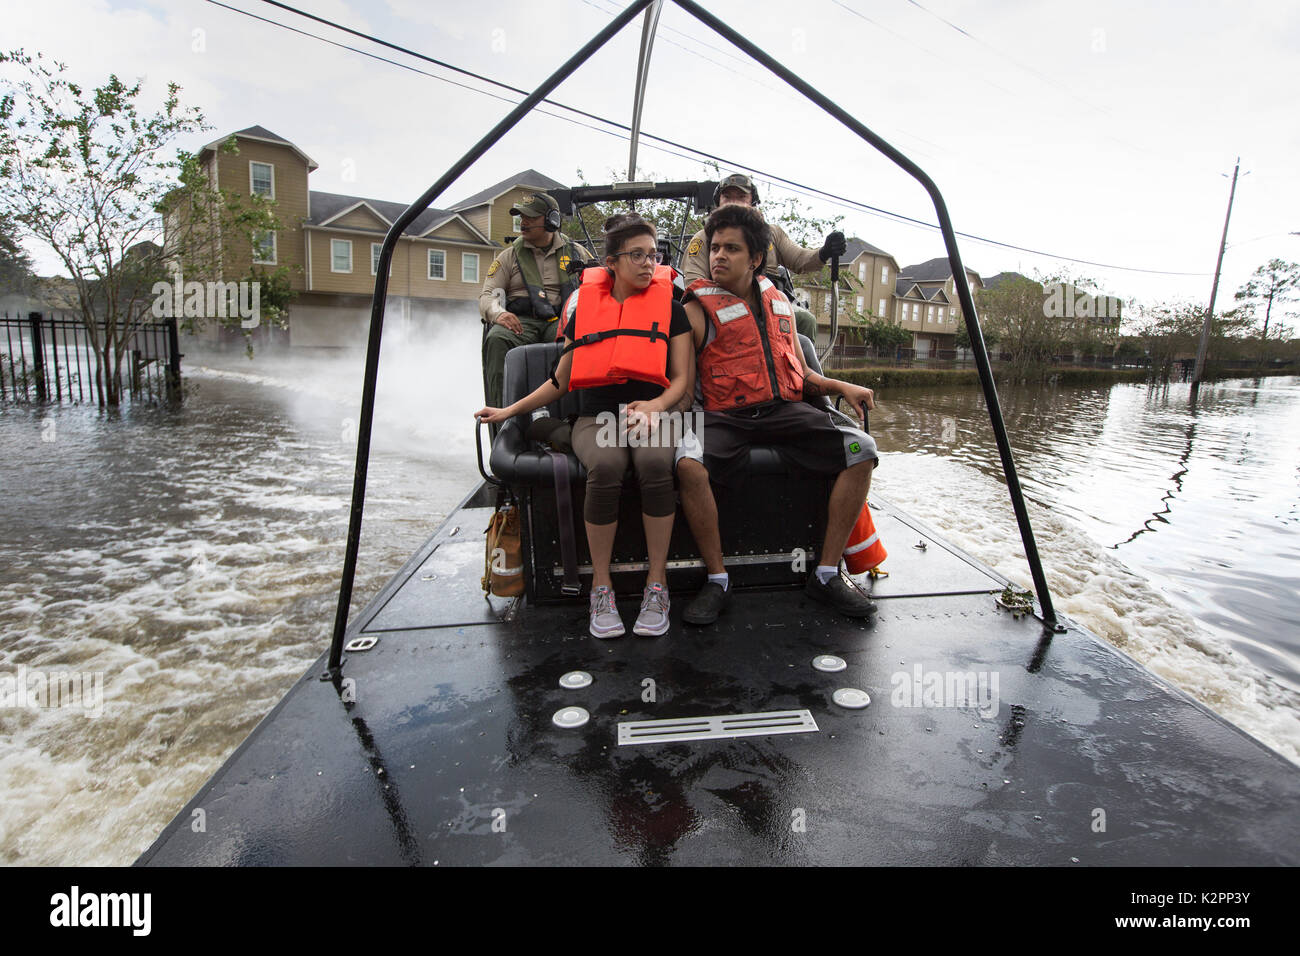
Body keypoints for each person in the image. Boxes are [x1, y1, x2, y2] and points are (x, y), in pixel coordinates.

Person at [475, 214, 694, 639]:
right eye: (637, 255)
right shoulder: (587, 312)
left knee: (653, 465)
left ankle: (656, 583)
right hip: (597, 417)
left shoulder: (672, 311)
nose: (649, 264)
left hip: (654, 411)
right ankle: (601, 586)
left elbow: (683, 379)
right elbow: (560, 380)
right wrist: (506, 411)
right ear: (611, 261)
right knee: (607, 467)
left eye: (654, 255)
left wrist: (655, 406)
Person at [675, 203, 878, 624]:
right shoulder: (694, 309)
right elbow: (680, 389)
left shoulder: (780, 303)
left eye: (731, 248)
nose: (718, 256)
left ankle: (824, 575)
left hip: (783, 412)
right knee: (689, 464)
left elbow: (799, 375)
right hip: (722, 419)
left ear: (755, 259)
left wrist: (841, 386)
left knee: (862, 448)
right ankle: (717, 580)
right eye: (715, 247)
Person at [680, 173, 846, 344]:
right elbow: (694, 283)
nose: (733, 202)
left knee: (804, 320)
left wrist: (824, 252)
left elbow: (799, 259)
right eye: (727, 196)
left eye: (741, 197)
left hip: (770, 304)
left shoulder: (770, 235)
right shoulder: (704, 238)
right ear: (717, 203)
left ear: (753, 203)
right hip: (723, 308)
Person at [479, 192, 597, 408]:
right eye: (521, 217)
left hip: (562, 322)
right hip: (521, 324)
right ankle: (500, 419)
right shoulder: (508, 257)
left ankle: (574, 413)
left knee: (581, 341)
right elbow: (488, 296)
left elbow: (598, 287)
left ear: (552, 221)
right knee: (496, 339)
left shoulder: (577, 254)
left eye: (531, 218)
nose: (523, 223)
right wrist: (499, 314)